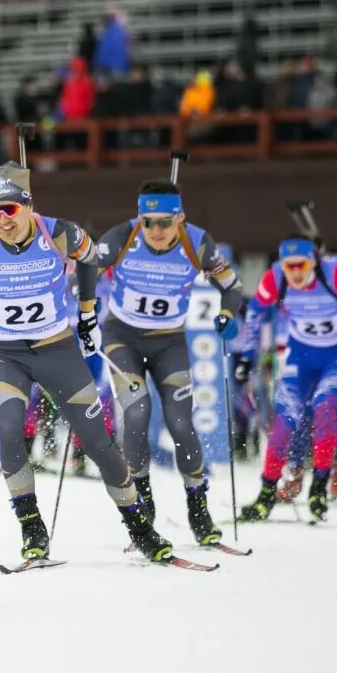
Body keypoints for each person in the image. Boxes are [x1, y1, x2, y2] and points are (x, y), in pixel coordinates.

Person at [0, 161, 173, 563]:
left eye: (9, 210)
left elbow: (91, 257)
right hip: (3, 353)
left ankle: (140, 528)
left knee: (98, 442)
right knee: (10, 430)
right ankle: (32, 528)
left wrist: (86, 315)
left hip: (56, 349)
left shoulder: (59, 233)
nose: (2, 220)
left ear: (28, 205)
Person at [94, 179, 244, 545]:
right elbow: (84, 273)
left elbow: (233, 286)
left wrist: (227, 313)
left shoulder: (198, 242)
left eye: (165, 222)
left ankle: (199, 509)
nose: (156, 231)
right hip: (121, 338)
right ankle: (143, 504)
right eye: (149, 222)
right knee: (137, 413)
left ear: (180, 218)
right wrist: (79, 305)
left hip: (169, 343)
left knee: (180, 422)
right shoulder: (121, 237)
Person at [234, 239, 337, 522]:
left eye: (301, 266)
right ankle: (266, 494)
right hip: (300, 357)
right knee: (285, 418)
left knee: (325, 407)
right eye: (289, 266)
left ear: (313, 262)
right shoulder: (275, 279)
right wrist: (247, 355)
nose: (294, 273)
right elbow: (255, 312)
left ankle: (319, 486)